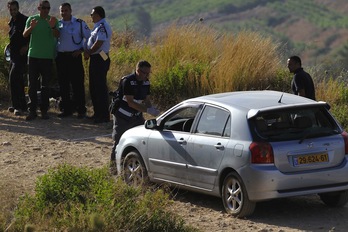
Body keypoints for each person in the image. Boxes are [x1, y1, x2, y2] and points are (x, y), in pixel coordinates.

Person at [110, 60, 160, 171]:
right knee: (118, 141)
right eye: (145, 73)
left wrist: (152, 108)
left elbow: (147, 100)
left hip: (137, 117)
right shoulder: (127, 81)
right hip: (123, 117)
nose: (147, 76)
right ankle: (113, 168)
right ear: (138, 71)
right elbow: (130, 102)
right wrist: (148, 110)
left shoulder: (146, 82)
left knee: (143, 138)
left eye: (149, 73)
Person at [23, 0, 59, 120]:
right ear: (39, 8)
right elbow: (24, 34)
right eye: (43, 8)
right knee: (32, 84)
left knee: (45, 86)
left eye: (47, 8)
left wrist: (53, 26)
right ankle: (32, 110)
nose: (46, 10)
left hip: (47, 57)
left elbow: (57, 35)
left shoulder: (53, 20)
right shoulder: (32, 19)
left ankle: (44, 111)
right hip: (33, 56)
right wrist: (31, 28)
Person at [56, 2, 90, 118]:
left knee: (77, 84)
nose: (64, 13)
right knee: (63, 84)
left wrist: (82, 49)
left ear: (71, 11)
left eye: (66, 10)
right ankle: (66, 109)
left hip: (74, 57)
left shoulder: (79, 23)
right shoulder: (57, 24)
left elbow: (89, 38)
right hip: (61, 57)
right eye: (62, 11)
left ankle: (81, 110)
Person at [84, 6, 112, 123]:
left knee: (99, 87)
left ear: (98, 15)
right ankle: (97, 113)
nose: (91, 16)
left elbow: (99, 42)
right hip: (97, 57)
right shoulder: (98, 26)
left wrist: (89, 52)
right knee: (94, 87)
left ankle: (103, 115)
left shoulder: (101, 26)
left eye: (92, 14)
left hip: (99, 57)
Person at [7, 0, 29, 116]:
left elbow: (32, 35)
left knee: (13, 77)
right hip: (13, 55)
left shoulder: (25, 20)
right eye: (11, 9)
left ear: (18, 8)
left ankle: (17, 107)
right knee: (18, 80)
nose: (13, 11)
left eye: (14, 9)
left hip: (21, 55)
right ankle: (21, 105)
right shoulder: (12, 22)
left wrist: (26, 46)